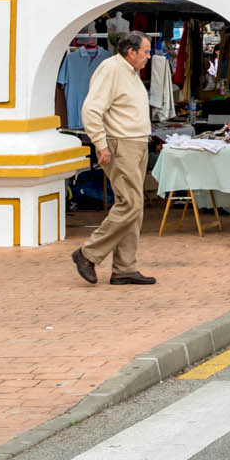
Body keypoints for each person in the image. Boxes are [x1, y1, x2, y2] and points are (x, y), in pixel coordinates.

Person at [71, 33, 155, 286]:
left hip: (135, 141)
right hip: (122, 143)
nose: (149, 57)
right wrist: (100, 143)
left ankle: (124, 267)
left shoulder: (129, 72)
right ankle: (88, 253)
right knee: (130, 204)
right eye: (146, 52)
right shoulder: (112, 69)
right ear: (131, 52)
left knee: (133, 206)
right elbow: (92, 108)